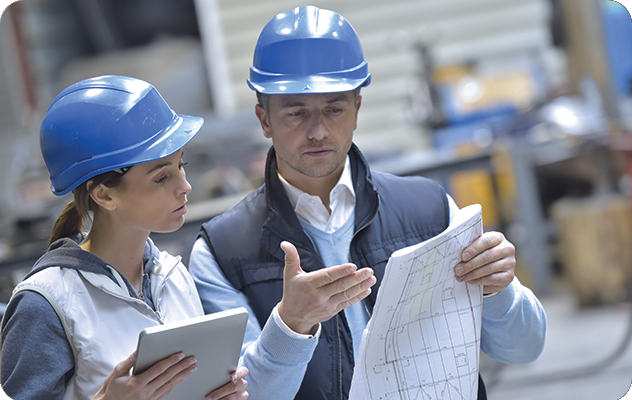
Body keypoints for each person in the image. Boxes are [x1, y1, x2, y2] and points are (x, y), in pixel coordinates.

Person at [188, 5, 547, 400]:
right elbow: (245, 397)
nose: (318, 131)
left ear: (356, 110)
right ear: (264, 120)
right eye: (296, 113)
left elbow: (524, 348)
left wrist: (500, 289)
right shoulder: (220, 253)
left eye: (334, 108)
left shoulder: (432, 210)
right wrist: (290, 326)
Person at [0, 75, 249, 400]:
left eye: (181, 164)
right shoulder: (45, 305)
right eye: (162, 177)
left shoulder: (173, 276)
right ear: (104, 195)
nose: (185, 186)